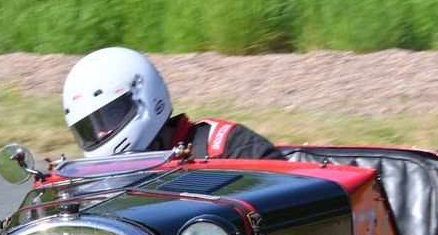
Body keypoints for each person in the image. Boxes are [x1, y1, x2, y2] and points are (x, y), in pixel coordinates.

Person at [61, 46, 282, 162]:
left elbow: (285, 196)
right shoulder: (97, 182)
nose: (100, 134)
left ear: (145, 97)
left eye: (110, 115)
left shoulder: (225, 145)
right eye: (89, 127)